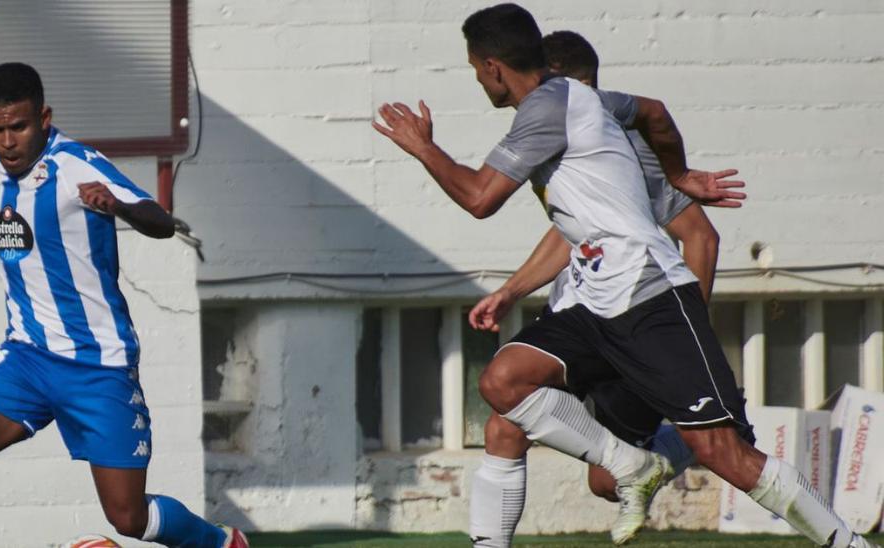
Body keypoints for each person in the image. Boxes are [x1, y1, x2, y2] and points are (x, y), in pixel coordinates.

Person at [373, 4, 875, 547]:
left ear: (493, 67)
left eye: (475, 69)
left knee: (721, 453)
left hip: (649, 295)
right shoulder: (582, 99)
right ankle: (629, 467)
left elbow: (479, 198)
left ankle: (848, 543)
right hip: (594, 300)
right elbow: (654, 112)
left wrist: (423, 147)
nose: (477, 80)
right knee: (502, 383)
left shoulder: (545, 109)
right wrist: (679, 173)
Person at [0, 63, 248, 548]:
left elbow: (160, 221)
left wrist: (119, 206)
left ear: (44, 118)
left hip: (98, 365)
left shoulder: (77, 165)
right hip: (26, 358)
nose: (7, 141)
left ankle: (220, 544)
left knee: (128, 519)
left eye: (19, 127)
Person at [465, 30, 719, 548]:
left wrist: (684, 331)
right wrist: (511, 292)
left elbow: (701, 236)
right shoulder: (560, 140)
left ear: (570, 83)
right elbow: (567, 234)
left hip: (635, 321)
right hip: (580, 318)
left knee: (604, 484)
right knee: (505, 417)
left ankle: (707, 439)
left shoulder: (624, 148)